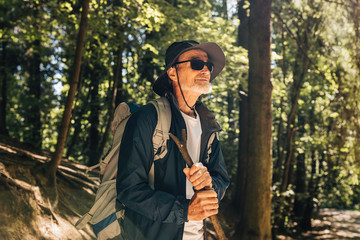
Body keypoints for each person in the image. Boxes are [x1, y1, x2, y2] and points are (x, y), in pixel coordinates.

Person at [116, 40, 230, 240]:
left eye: (208, 66)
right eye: (196, 64)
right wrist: (184, 211)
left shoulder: (209, 125)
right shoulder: (148, 118)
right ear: (172, 72)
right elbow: (129, 190)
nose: (205, 70)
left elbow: (221, 180)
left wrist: (210, 183)